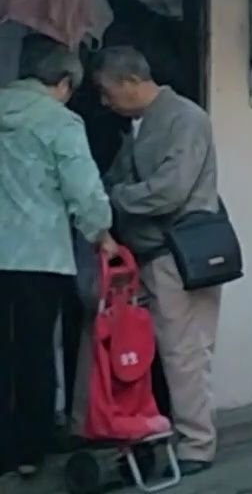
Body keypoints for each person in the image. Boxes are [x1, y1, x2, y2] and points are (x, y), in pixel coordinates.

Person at [93, 46, 223, 476]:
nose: (104, 101)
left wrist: (117, 199)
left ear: (130, 81)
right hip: (150, 250)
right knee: (149, 350)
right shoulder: (141, 123)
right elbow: (117, 178)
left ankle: (196, 444)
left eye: (107, 90)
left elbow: (170, 190)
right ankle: (164, 435)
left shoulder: (185, 118)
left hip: (178, 250)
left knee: (183, 351)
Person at [0, 43, 116, 479]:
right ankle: (30, 448)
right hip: (38, 255)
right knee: (34, 350)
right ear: (64, 83)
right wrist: (100, 233)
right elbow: (82, 188)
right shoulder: (60, 121)